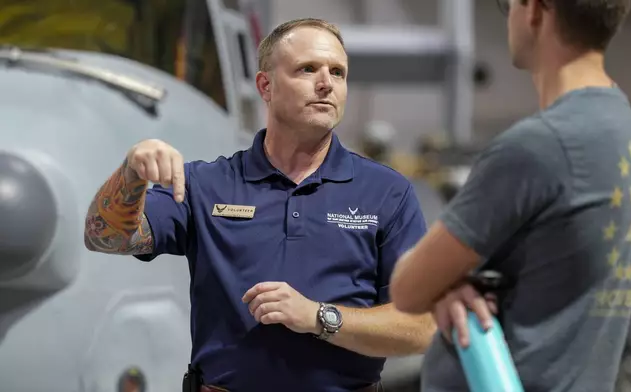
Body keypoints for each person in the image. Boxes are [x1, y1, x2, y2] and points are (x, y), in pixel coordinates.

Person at [84, 18, 435, 392]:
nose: (326, 83)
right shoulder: (206, 185)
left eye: (338, 72)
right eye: (307, 69)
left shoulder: (386, 193)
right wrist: (131, 174)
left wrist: (319, 317)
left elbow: (421, 327)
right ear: (265, 86)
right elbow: (105, 237)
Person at [389, 0, 631, 391]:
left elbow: (406, 287)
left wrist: (442, 282)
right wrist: (452, 283)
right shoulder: (623, 127)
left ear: (536, 11)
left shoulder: (537, 147)